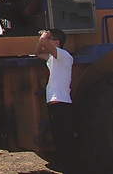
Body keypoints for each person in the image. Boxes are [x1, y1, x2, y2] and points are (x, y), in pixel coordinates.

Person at [34, 28, 77, 174]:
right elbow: (38, 52)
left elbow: (42, 42)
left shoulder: (63, 55)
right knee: (58, 136)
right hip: (55, 102)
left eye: (51, 40)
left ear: (57, 42)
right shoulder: (53, 59)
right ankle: (63, 163)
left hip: (62, 101)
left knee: (64, 137)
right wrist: (44, 39)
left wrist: (44, 34)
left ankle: (69, 166)